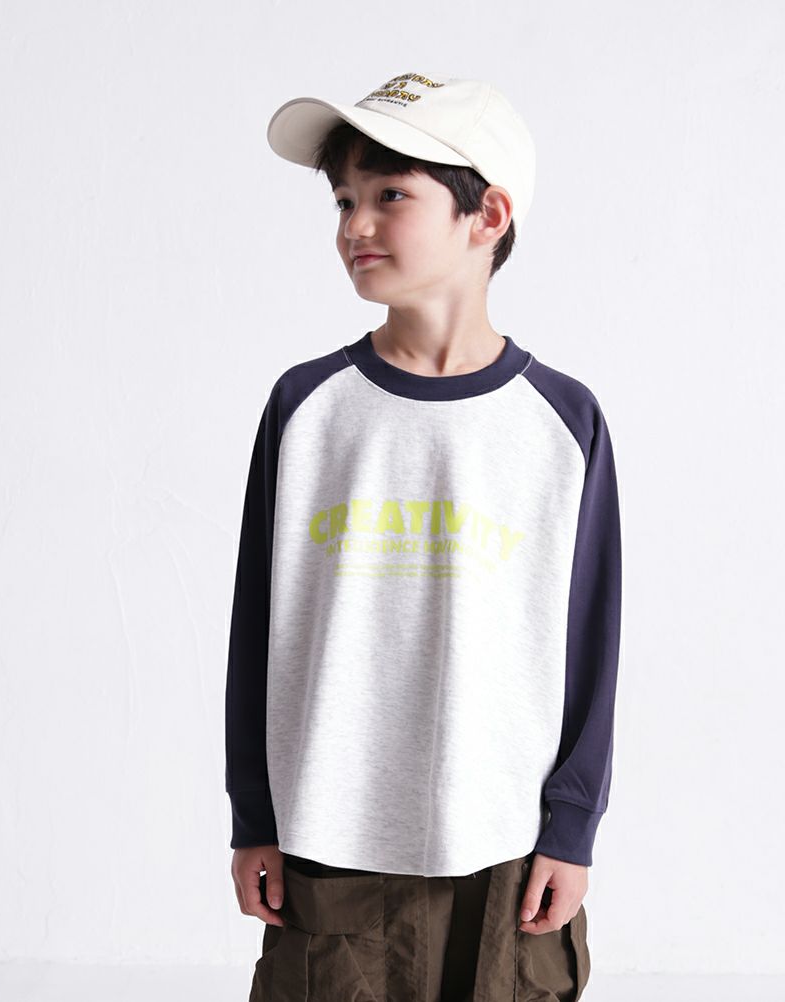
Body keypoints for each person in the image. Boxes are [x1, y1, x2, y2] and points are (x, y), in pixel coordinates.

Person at [224, 71, 621, 1001]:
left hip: (504, 851)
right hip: (328, 841)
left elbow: (590, 639)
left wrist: (572, 827)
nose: (354, 225)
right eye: (343, 200)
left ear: (487, 217)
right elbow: (259, 627)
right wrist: (253, 814)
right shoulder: (308, 408)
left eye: (390, 195)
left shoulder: (560, 423)